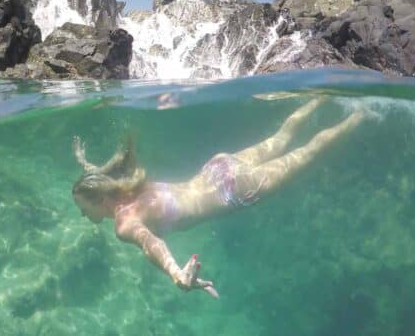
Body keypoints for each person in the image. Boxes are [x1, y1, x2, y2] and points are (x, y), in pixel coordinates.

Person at [71, 99, 363, 298]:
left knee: (307, 153)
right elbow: (101, 181)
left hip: (233, 190)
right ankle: (321, 96)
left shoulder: (124, 223)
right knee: (282, 137)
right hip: (217, 167)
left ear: (99, 201)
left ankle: (362, 113)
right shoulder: (124, 187)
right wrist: (88, 167)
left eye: (83, 210)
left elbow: (151, 243)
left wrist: (175, 273)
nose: (84, 216)